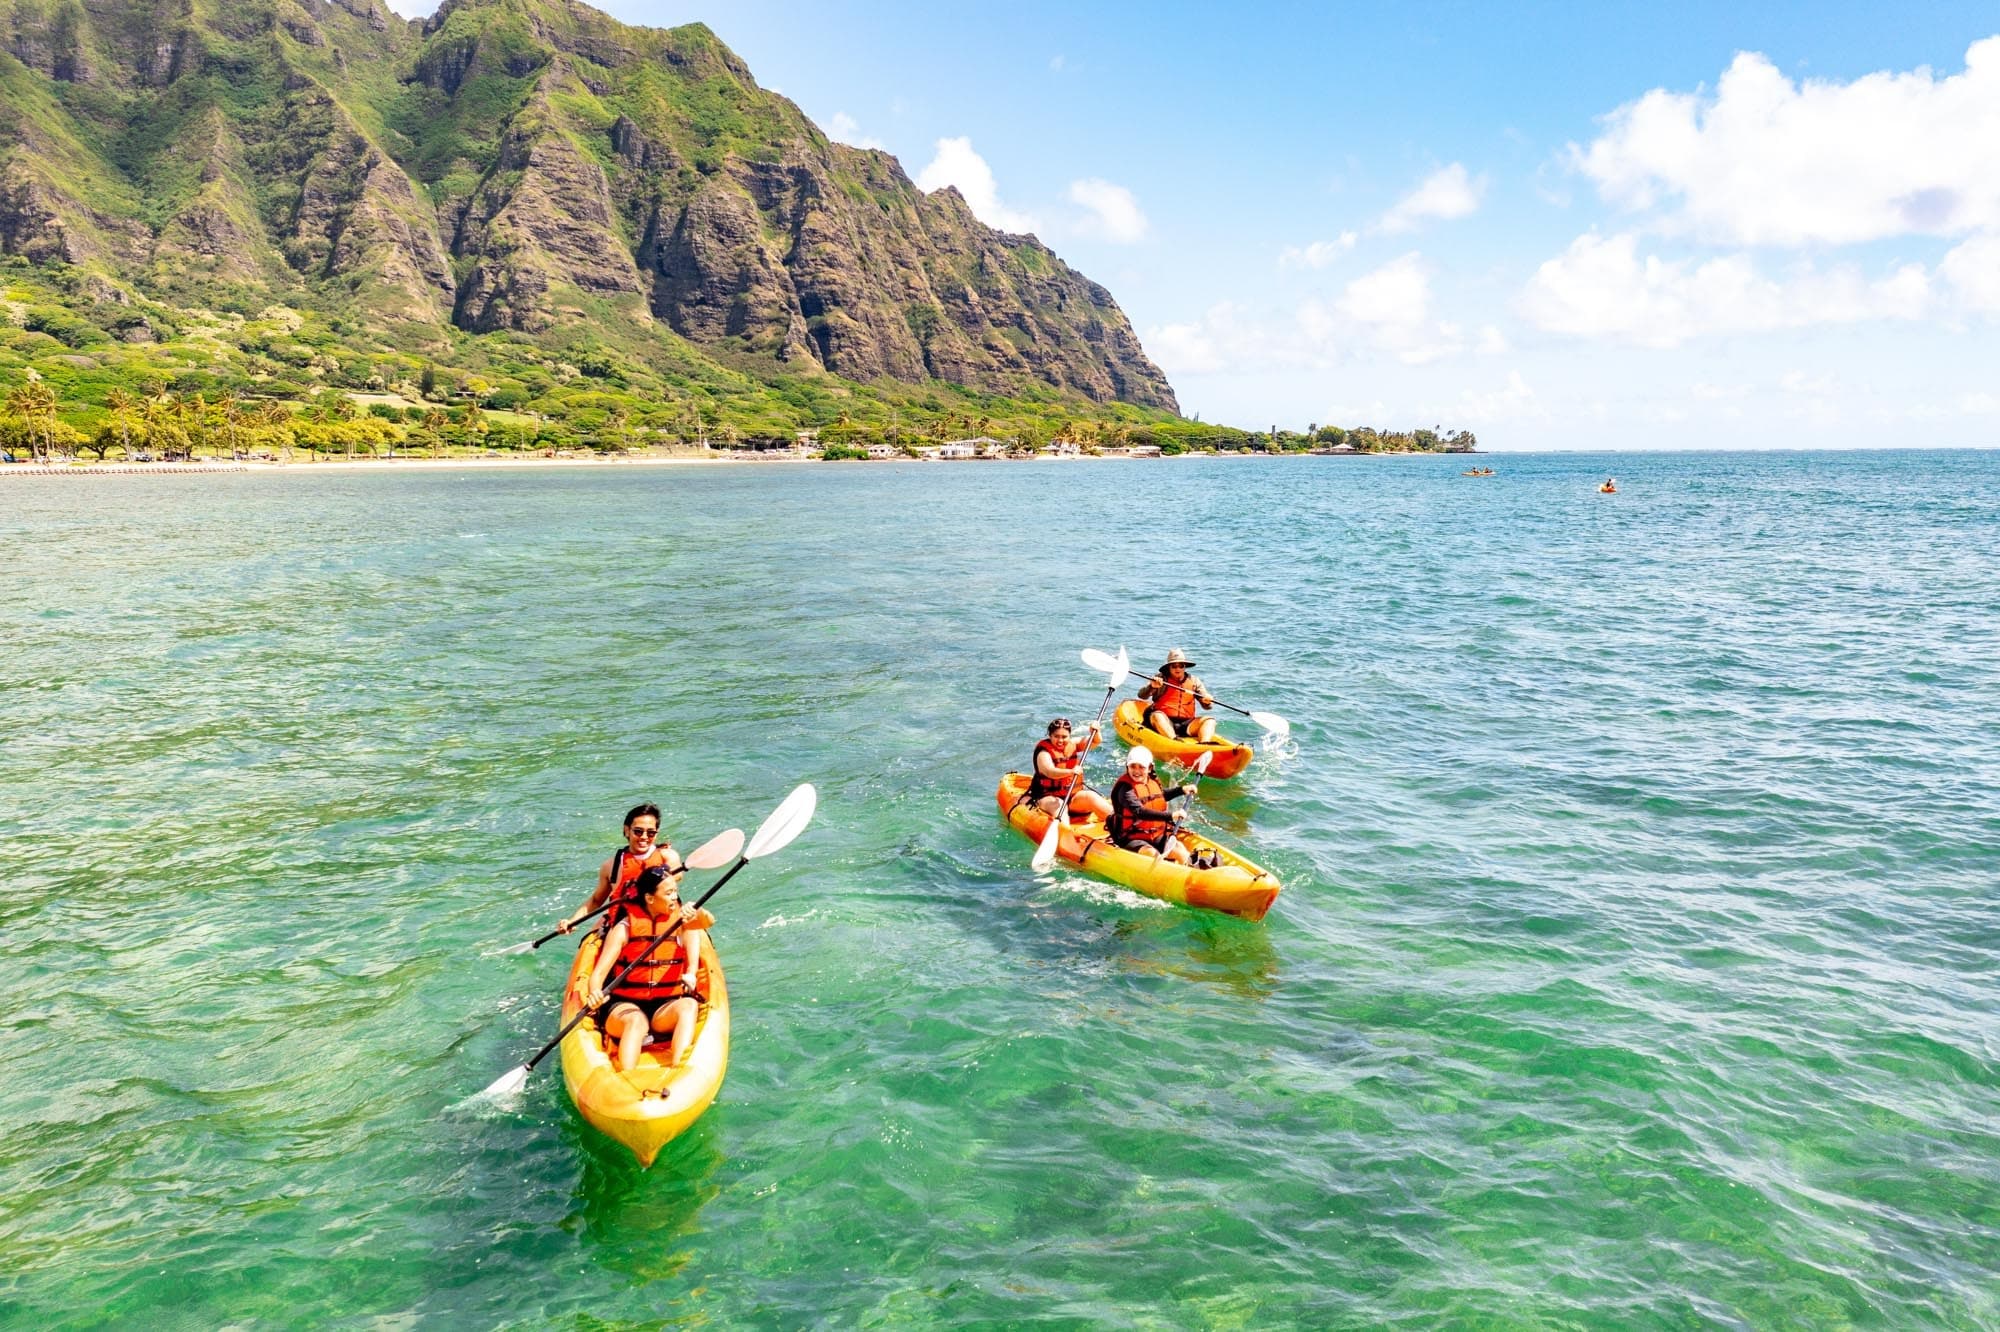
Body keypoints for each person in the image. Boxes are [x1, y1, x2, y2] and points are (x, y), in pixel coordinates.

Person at [581, 866, 715, 1071]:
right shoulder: (624, 928)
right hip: (624, 1007)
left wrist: (698, 911)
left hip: (664, 1008)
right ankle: (626, 1078)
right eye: (668, 893)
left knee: (688, 1006)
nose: (674, 897)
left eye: (675, 892)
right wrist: (595, 993)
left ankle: (679, 1071)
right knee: (636, 1022)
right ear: (650, 898)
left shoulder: (681, 920)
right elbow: (598, 974)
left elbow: (708, 922)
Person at [556, 802, 685, 936]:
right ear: (627, 830)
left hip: (665, 925)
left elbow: (677, 875)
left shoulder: (668, 857)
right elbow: (596, 900)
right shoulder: (611, 866)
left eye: (651, 833)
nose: (644, 837)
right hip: (625, 928)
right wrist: (572, 921)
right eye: (638, 831)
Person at [1106, 746, 1194, 865]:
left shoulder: (1151, 782)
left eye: (1141, 767)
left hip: (1156, 836)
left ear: (1150, 768)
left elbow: (1159, 796)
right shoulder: (1125, 789)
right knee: (1153, 855)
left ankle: (1193, 873)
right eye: (1133, 766)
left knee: (1180, 850)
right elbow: (1139, 811)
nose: (1136, 771)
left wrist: (1182, 790)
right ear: (1127, 767)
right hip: (1132, 838)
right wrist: (1171, 815)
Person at [1026, 716, 1112, 824]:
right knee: (1060, 806)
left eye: (1064, 737)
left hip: (1071, 796)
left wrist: (1096, 731)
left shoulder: (1073, 744)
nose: (1060, 740)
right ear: (1050, 735)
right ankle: (1065, 834)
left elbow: (1095, 742)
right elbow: (1049, 771)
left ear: (1069, 736)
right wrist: (1070, 772)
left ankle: (1120, 826)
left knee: (1091, 796)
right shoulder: (1043, 753)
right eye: (1056, 736)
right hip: (1047, 797)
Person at [1137, 648, 1216, 744]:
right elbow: (1142, 695)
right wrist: (1152, 687)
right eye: (1174, 666)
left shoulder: (1194, 681)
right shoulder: (1160, 678)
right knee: (1157, 716)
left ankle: (1205, 745)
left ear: (1185, 667)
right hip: (1164, 721)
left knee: (1210, 720)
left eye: (1181, 666)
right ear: (1169, 668)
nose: (1178, 669)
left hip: (1186, 724)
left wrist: (1207, 701)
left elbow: (1207, 706)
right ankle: (1174, 742)